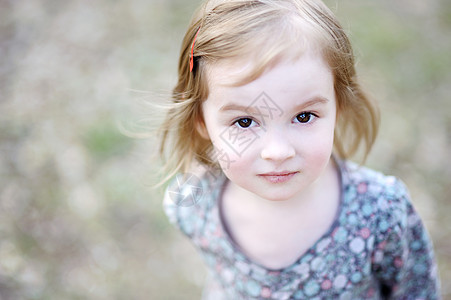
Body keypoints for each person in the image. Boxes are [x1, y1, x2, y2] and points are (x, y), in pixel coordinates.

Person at [159, 0, 441, 298]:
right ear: (201, 122)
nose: (278, 151)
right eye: (244, 122)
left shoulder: (381, 213)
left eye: (303, 116)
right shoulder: (193, 203)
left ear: (339, 108)